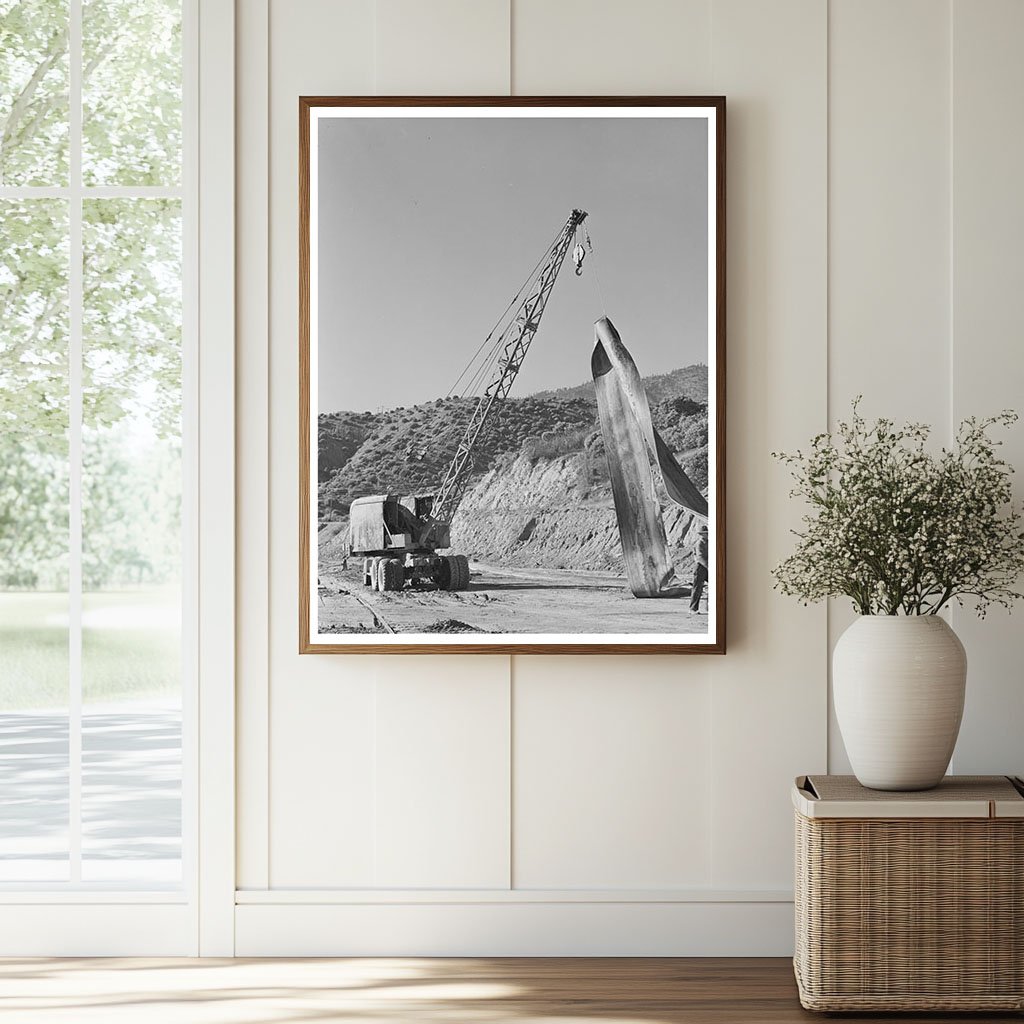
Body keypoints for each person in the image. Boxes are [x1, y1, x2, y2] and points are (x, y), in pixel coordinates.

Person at [689, 523, 709, 613]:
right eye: (705, 533)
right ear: (701, 534)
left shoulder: (709, 542)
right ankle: (693, 609)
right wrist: (709, 566)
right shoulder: (699, 543)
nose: (707, 534)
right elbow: (700, 557)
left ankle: (709, 607)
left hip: (707, 567)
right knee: (697, 588)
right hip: (700, 568)